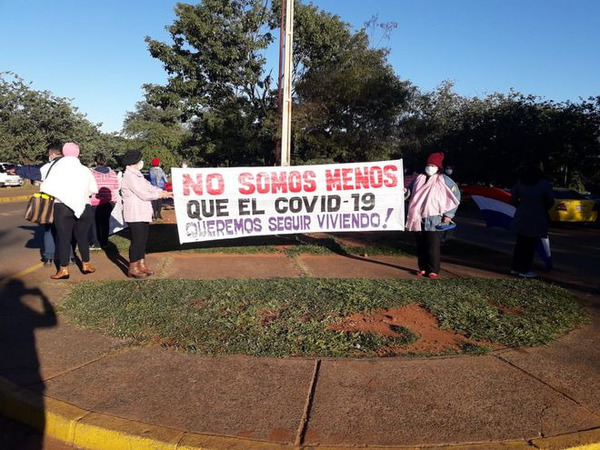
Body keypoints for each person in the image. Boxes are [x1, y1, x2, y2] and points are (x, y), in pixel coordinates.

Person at [41, 142, 98, 280]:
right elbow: (93, 189)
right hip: (84, 206)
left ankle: (63, 269)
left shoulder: (56, 167)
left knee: (64, 239)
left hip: (62, 207)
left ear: (63, 152)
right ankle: (86, 264)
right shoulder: (85, 169)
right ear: (78, 153)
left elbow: (46, 187)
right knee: (82, 237)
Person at [10, 145, 74, 267]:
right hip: (67, 203)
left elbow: (31, 171)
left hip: (50, 204)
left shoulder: (48, 167)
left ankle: (49, 258)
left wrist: (16, 170)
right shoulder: (73, 167)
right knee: (65, 231)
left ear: (53, 155)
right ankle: (70, 257)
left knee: (49, 231)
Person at [405, 152, 460, 279]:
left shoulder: (445, 180)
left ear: (438, 167)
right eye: (428, 165)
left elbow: (455, 196)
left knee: (432, 244)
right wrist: (405, 191)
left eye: (432, 165)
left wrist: (448, 215)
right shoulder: (418, 178)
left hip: (434, 217)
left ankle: (433, 270)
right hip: (417, 217)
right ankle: (423, 268)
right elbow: (410, 193)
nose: (430, 167)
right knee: (421, 244)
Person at [121, 150, 173, 278]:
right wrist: (159, 194)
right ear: (135, 161)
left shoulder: (138, 174)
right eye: (140, 160)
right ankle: (133, 267)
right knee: (137, 240)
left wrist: (163, 192)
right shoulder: (129, 176)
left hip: (142, 212)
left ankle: (141, 264)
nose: (141, 162)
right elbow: (143, 194)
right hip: (134, 213)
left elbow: (149, 187)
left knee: (143, 240)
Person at [509, 163, 554, 278]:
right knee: (530, 245)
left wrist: (521, 205)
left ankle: (515, 267)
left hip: (521, 215)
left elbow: (513, 199)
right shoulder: (544, 184)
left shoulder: (520, 182)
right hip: (537, 217)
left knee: (520, 243)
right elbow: (550, 202)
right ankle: (525, 269)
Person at [89, 154, 120, 249]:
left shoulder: (92, 174)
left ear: (95, 162)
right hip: (109, 202)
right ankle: (104, 242)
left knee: (95, 222)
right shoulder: (113, 173)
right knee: (105, 221)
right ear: (106, 162)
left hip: (95, 202)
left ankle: (96, 242)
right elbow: (116, 186)